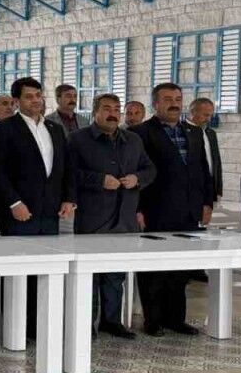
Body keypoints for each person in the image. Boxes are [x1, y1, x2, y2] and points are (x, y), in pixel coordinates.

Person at [0, 77, 75, 341]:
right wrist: (14, 202)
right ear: (16, 101)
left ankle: (36, 327)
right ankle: (13, 327)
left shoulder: (54, 129)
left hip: (49, 212)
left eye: (38, 95)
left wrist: (68, 198)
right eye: (29, 96)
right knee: (17, 272)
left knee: (43, 271)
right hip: (18, 211)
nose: (36, 100)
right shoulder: (4, 129)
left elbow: (65, 167)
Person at [68, 94, 154, 339]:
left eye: (117, 109)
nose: (113, 114)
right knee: (90, 276)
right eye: (107, 109)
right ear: (95, 112)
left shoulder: (133, 139)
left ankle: (111, 321)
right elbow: (69, 174)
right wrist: (99, 180)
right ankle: (86, 324)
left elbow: (150, 169)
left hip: (124, 219)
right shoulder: (78, 139)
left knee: (116, 275)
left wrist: (137, 178)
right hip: (93, 219)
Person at [131, 82, 214, 337]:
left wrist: (207, 203)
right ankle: (153, 320)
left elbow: (203, 170)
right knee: (154, 269)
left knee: (181, 269)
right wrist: (137, 208)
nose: (174, 104)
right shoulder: (140, 132)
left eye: (177, 99)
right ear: (155, 103)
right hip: (155, 210)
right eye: (167, 99)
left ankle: (176, 319)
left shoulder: (194, 132)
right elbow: (136, 171)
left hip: (188, 212)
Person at [188, 98, 224, 203]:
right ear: (193, 112)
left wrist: (218, 189)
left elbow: (217, 162)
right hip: (190, 189)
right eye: (205, 115)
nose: (209, 119)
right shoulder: (180, 131)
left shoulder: (211, 133)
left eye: (210, 115)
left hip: (210, 187)